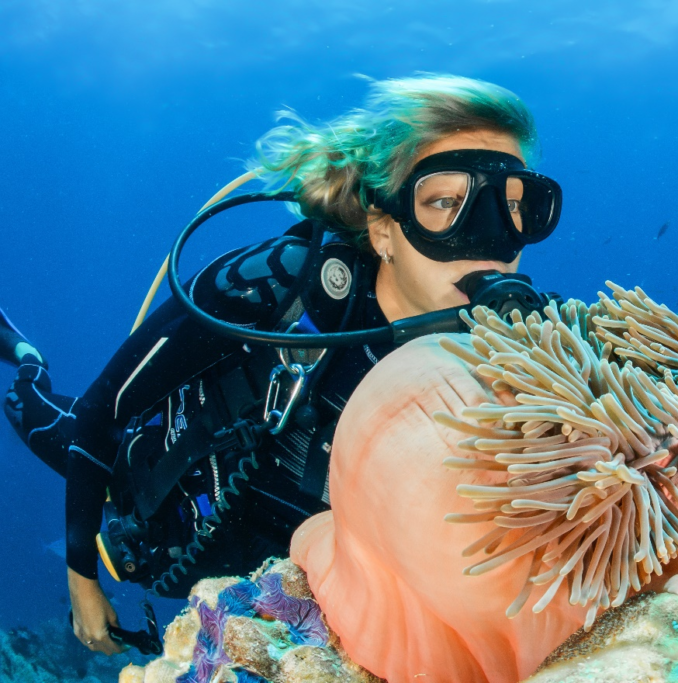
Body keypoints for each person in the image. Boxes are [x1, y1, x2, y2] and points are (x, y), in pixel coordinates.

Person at [1, 73, 563, 655]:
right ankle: (22, 355)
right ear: (383, 228)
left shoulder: (513, 351)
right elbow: (101, 410)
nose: (493, 239)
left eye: (516, 207)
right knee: (41, 416)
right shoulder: (274, 288)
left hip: (289, 573)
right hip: (153, 485)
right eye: (446, 202)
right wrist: (81, 582)